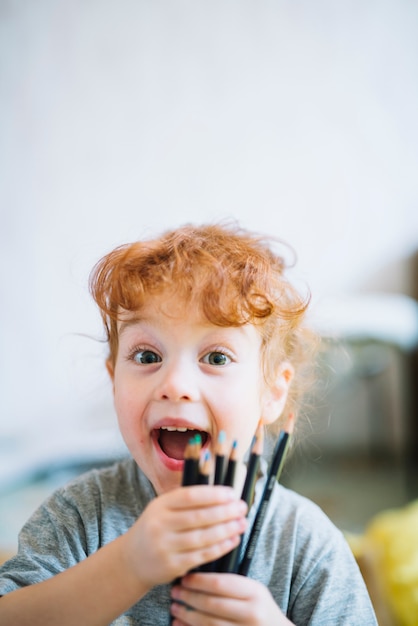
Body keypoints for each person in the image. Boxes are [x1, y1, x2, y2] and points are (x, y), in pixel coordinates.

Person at [0, 222, 378, 625]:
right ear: (114, 381)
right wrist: (128, 565)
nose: (175, 385)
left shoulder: (308, 545)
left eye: (216, 358)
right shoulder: (77, 517)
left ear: (272, 393)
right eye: (147, 357)